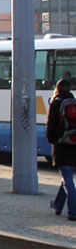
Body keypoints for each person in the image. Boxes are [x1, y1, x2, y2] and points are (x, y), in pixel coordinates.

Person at [46, 78, 76, 220]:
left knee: (67, 179)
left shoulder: (56, 103)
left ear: (57, 89)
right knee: (67, 176)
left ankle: (73, 212)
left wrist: (51, 140)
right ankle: (57, 206)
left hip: (62, 144)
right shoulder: (73, 102)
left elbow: (51, 124)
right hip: (74, 144)